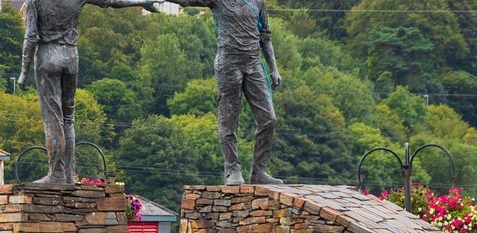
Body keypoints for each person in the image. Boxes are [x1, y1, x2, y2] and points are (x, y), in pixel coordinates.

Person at [18, 0, 164, 184]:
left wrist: (24, 71)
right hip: (71, 57)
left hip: (48, 57)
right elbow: (111, 1)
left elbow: (30, 36)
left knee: (54, 119)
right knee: (68, 118)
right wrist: (141, 2)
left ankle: (56, 174)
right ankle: (69, 174)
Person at [161, 0, 284, 185]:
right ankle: (232, 169)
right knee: (229, 120)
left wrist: (274, 68)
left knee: (269, 119)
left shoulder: (258, 1)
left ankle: (259, 171)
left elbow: (265, 36)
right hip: (228, 64)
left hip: (253, 64)